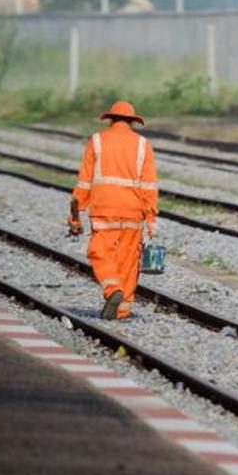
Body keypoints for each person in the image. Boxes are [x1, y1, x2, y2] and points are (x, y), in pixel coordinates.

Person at [67, 100, 159, 320]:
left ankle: (112, 290)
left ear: (110, 119)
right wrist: (151, 218)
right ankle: (122, 309)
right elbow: (149, 184)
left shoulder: (97, 141)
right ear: (133, 122)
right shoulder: (142, 144)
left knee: (100, 252)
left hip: (104, 209)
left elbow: (84, 182)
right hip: (132, 210)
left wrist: (75, 215)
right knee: (128, 259)